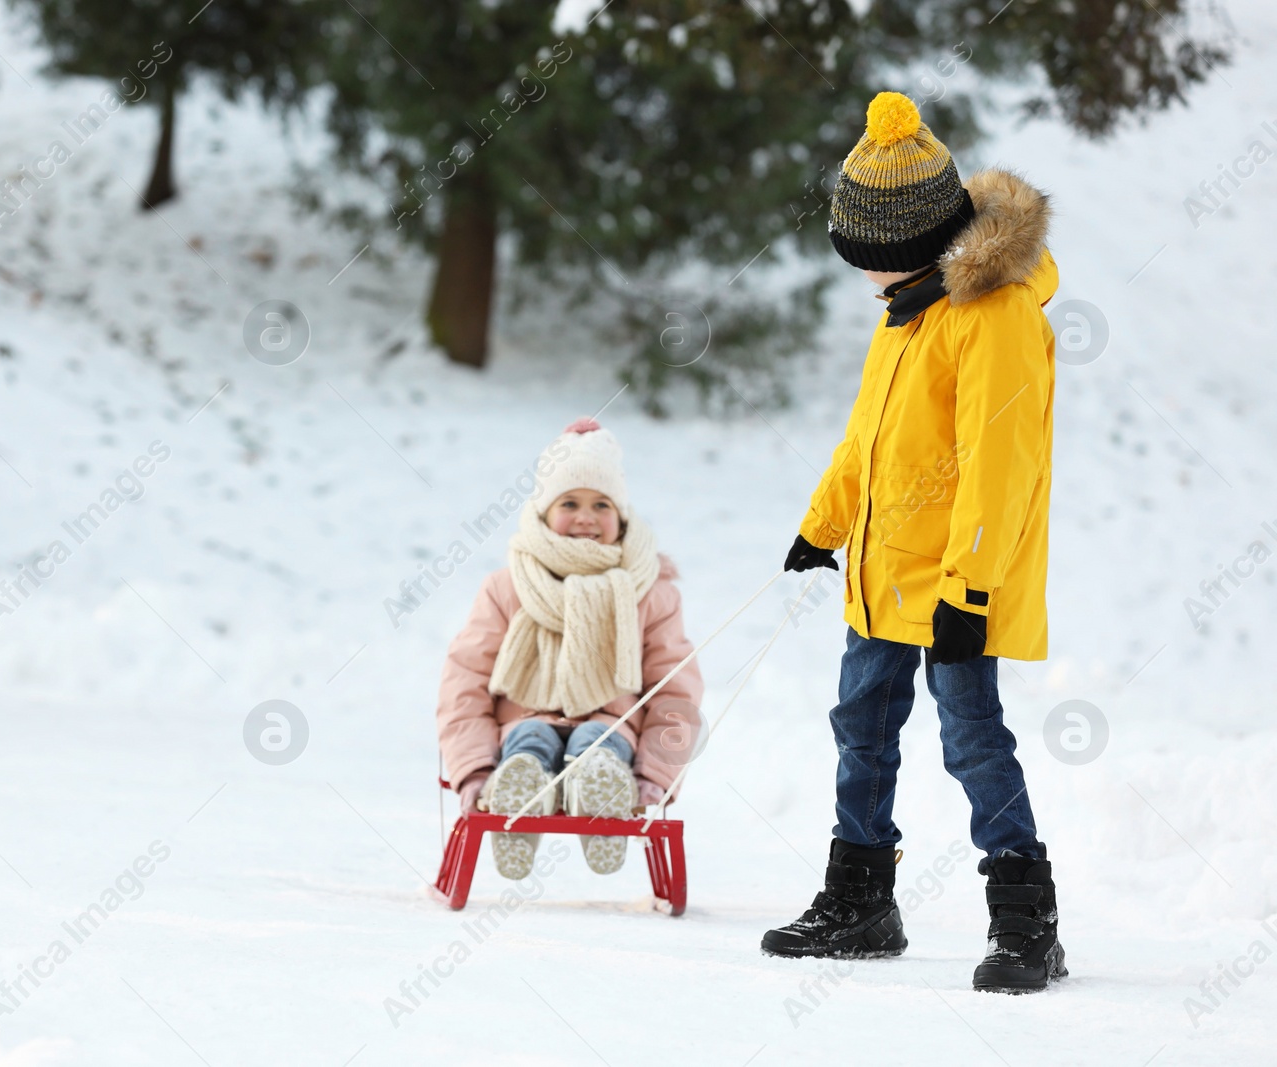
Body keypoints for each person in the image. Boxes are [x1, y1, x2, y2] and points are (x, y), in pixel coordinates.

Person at [760, 92, 1066, 994]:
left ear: (908, 245)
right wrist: (822, 525)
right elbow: (868, 440)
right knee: (862, 727)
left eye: (868, 260)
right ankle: (860, 902)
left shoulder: (992, 318)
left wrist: (968, 591)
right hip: (880, 581)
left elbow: (998, 469)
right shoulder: (905, 311)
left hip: (952, 588)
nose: (863, 277)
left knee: (973, 738)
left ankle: (1025, 920)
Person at [437, 418, 703, 880]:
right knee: (529, 745)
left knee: (595, 746)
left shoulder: (650, 593)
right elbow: (465, 681)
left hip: (611, 730)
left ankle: (600, 790)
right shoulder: (508, 588)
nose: (585, 516)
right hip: (520, 726)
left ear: (621, 517)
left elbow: (675, 692)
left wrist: (655, 774)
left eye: (602, 504)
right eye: (569, 502)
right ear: (543, 513)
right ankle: (518, 793)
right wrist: (473, 767)